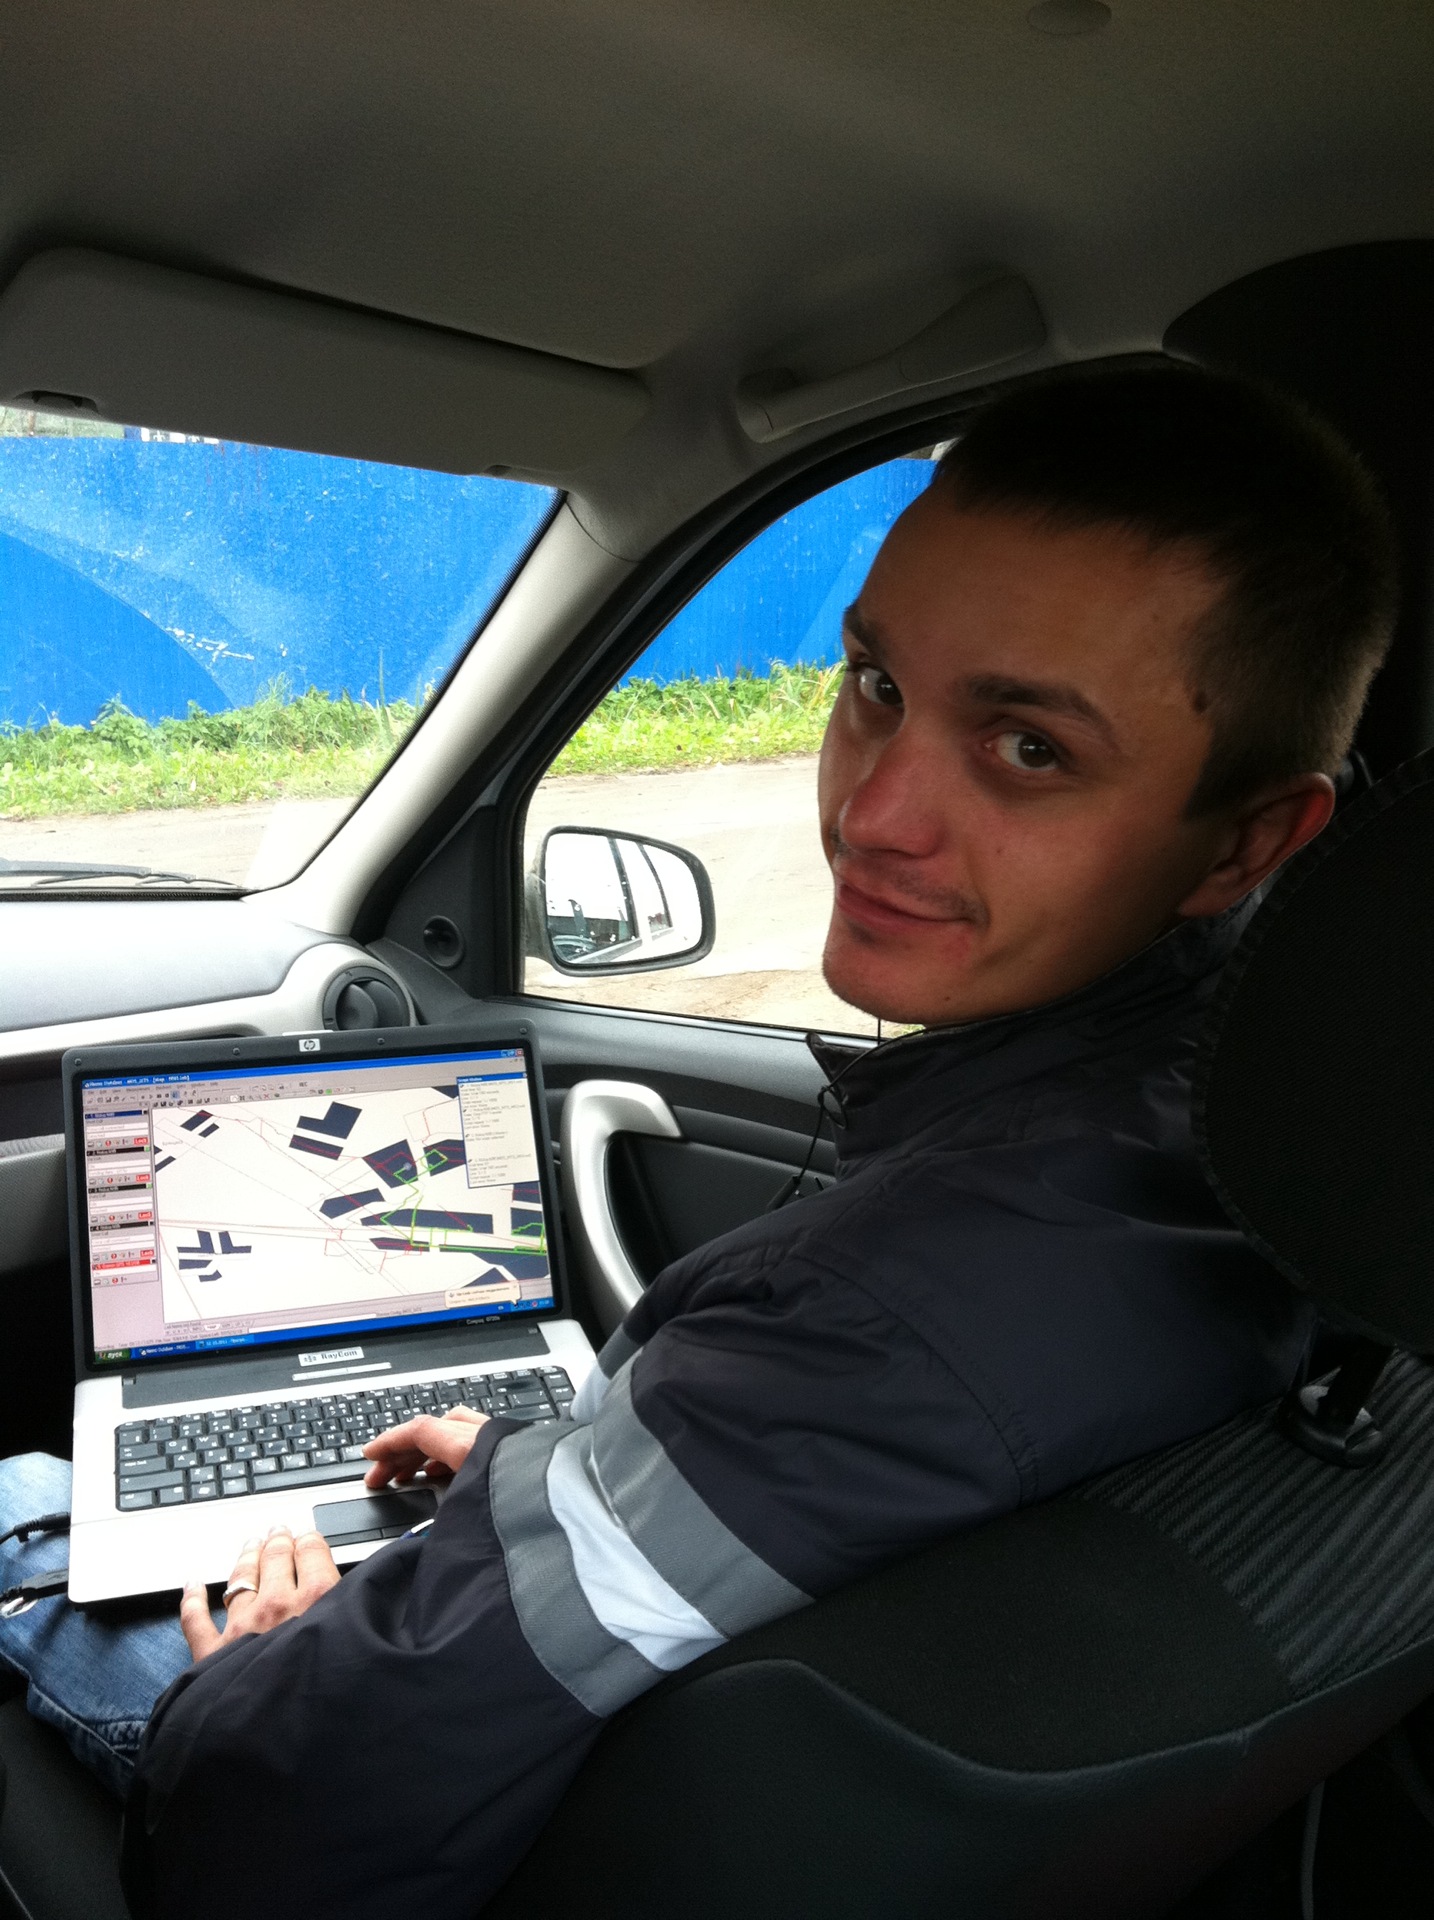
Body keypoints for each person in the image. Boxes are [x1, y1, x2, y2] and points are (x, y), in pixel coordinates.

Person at [0, 364, 1399, 1918]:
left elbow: (288, 1811)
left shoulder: (874, 1323)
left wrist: (244, 1673)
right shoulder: (1296, 1184)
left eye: (1027, 751)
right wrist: (541, 1468)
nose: (872, 815)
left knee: (21, 1508)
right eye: (876, 684)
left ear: (1248, 842)